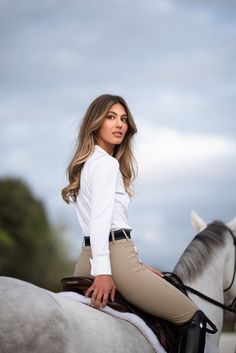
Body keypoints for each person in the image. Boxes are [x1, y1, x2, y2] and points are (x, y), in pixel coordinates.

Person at [62, 94, 212, 353]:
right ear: (96, 123)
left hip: (87, 258)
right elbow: (101, 222)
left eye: (123, 119)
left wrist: (137, 264)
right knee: (193, 317)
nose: (120, 124)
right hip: (111, 259)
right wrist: (105, 272)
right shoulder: (107, 165)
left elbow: (103, 224)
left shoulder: (88, 164)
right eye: (111, 117)